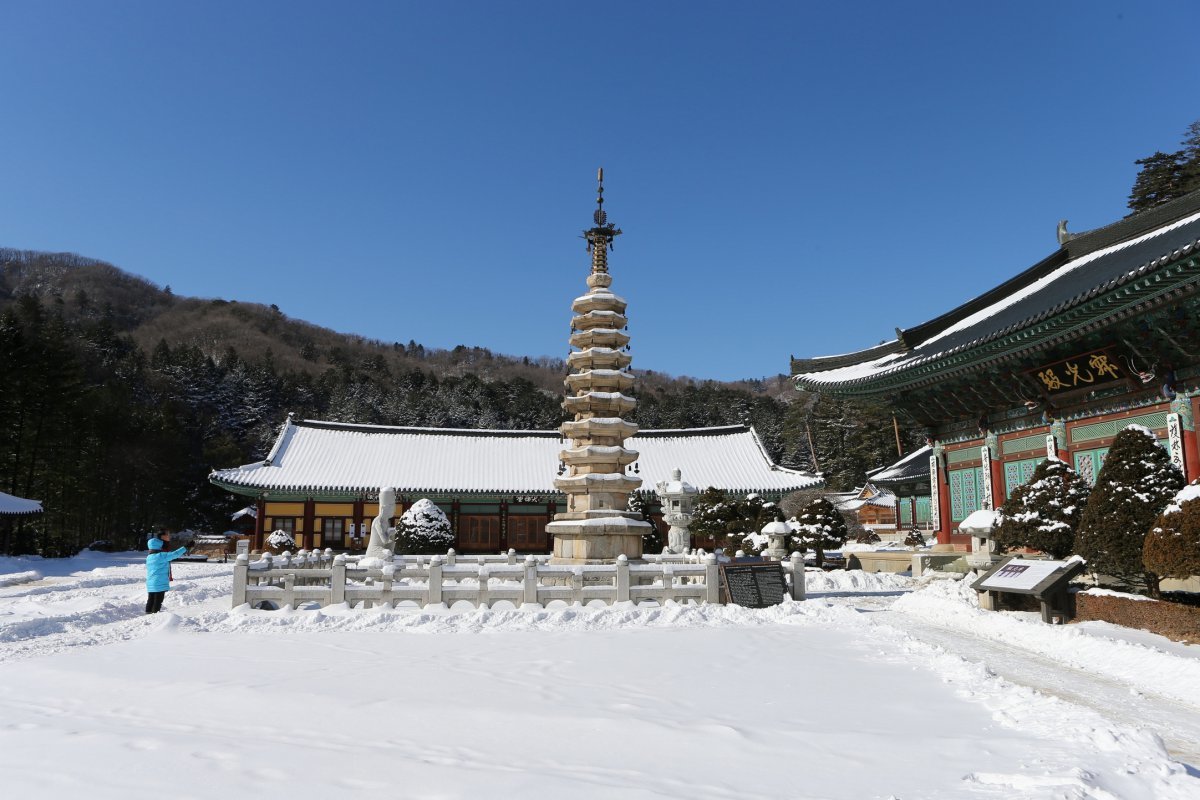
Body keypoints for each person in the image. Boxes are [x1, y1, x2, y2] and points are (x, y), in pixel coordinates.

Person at [145, 531, 188, 614]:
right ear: (158, 546)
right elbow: (175, 554)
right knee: (158, 601)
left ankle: (148, 613)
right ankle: (154, 616)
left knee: (150, 599)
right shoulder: (161, 555)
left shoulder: (149, 557)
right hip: (159, 582)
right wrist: (185, 547)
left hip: (150, 582)